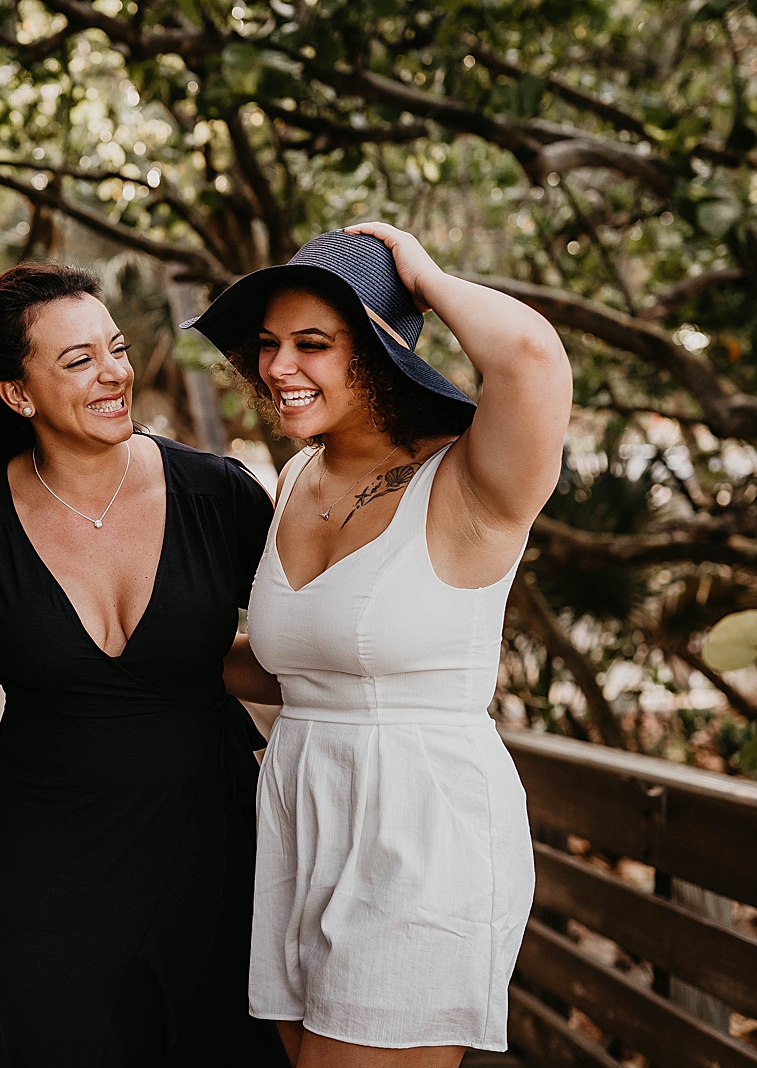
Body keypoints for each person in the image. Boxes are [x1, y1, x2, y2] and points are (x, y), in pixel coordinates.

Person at [185, 224, 569, 1067]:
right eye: (269, 346)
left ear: (382, 350)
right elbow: (291, 666)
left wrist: (418, 275)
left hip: (420, 824)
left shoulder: (472, 481)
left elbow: (532, 358)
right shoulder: (294, 480)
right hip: (299, 814)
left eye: (314, 344)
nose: (278, 368)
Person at [0, 262, 291, 1067]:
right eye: (79, 360)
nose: (114, 373)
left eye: (116, 348)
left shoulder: (219, 495)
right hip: (46, 865)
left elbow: (303, 650)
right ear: (19, 396)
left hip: (211, 851)